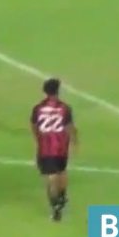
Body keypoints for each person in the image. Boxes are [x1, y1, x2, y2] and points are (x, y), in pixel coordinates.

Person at [31, 78, 77, 222]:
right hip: (61, 147)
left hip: (46, 147)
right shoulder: (65, 108)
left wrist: (38, 139)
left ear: (44, 91)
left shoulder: (38, 108)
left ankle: (55, 208)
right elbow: (69, 127)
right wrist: (74, 141)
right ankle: (62, 196)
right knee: (62, 171)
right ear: (58, 91)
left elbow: (34, 126)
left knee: (51, 176)